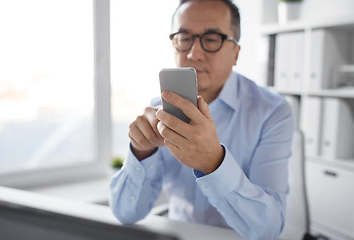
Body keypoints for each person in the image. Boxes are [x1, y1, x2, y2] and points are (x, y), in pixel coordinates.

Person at [110, 0, 294, 239]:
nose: (193, 53)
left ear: (235, 53)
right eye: (184, 38)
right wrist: (142, 152)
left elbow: (269, 230)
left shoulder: (272, 112)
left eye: (211, 39)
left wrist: (213, 163)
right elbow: (126, 213)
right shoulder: (160, 109)